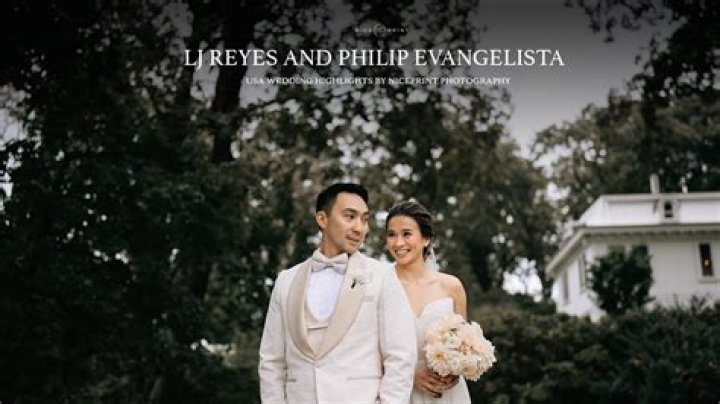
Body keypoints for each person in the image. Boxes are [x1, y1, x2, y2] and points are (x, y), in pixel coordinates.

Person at [258, 183, 417, 404]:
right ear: (322, 219)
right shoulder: (286, 280)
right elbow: (272, 361)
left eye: (364, 219)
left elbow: (401, 357)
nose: (360, 228)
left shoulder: (383, 276)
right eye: (350, 217)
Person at [385, 201, 472, 403]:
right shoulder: (380, 286)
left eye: (406, 234)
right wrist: (410, 374)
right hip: (400, 393)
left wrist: (458, 368)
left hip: (447, 395)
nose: (398, 243)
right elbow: (368, 350)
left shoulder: (452, 286)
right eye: (391, 234)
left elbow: (465, 345)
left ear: (426, 239)